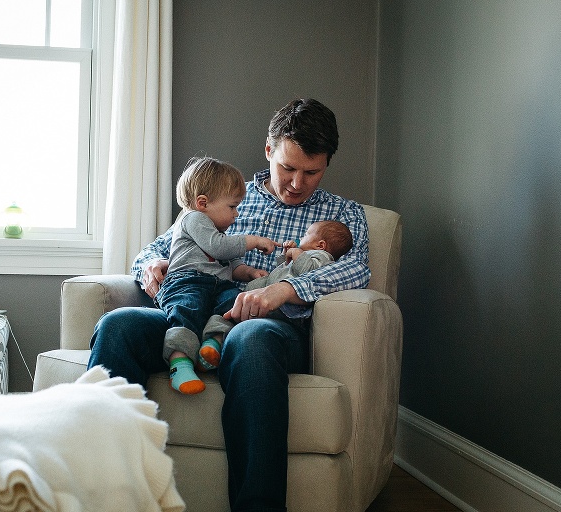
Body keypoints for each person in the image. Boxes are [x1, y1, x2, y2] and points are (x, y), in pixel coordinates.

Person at [88, 98, 370, 511]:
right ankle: (104, 495)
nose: (296, 183)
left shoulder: (344, 214)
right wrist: (152, 266)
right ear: (269, 151)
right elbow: (155, 249)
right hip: (189, 317)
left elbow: (357, 271)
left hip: (271, 330)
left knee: (250, 339)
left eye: (311, 172)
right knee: (119, 325)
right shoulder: (225, 195)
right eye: (288, 168)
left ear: (327, 163)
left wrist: (285, 290)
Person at [155, 156, 278, 395]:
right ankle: (179, 364)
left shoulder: (220, 230)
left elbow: (231, 265)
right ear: (203, 203)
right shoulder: (194, 219)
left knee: (233, 304)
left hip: (218, 285)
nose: (237, 215)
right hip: (186, 283)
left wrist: (250, 272)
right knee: (186, 311)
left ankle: (212, 345)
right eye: (232, 207)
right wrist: (253, 241)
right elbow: (218, 247)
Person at [196, 219, 354, 370]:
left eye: (306, 234)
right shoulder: (306, 255)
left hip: (283, 310)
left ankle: (214, 342)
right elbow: (285, 269)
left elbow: (307, 270)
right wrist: (288, 254)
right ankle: (213, 345)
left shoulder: (323, 258)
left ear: (320, 245)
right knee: (229, 310)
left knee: (231, 311)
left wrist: (298, 253)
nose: (301, 237)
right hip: (263, 295)